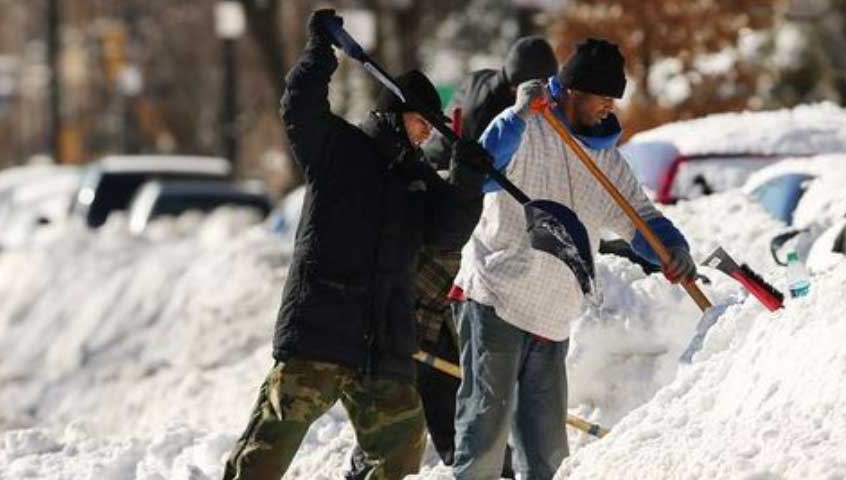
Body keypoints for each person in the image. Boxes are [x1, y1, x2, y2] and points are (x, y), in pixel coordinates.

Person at [222, 9, 490, 480]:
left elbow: (447, 231)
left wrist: (468, 180)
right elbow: (299, 108)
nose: (427, 132)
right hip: (323, 326)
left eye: (432, 126)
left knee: (401, 451)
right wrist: (318, 53)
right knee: (270, 444)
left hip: (384, 341)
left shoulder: (418, 181)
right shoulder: (338, 150)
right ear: (394, 112)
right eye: (420, 122)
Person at [451, 38, 698, 479]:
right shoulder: (526, 130)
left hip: (552, 317)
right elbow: (479, 173)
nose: (609, 106)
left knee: (547, 457)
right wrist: (518, 114)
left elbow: (639, 219)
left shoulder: (605, 158)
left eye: (613, 98)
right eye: (602, 95)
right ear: (571, 91)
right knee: (483, 441)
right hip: (496, 300)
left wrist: (672, 251)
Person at [360, 36, 556, 480]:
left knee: (448, 396)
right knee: (416, 406)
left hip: (444, 291)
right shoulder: (487, 118)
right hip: (415, 301)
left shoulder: (457, 196)